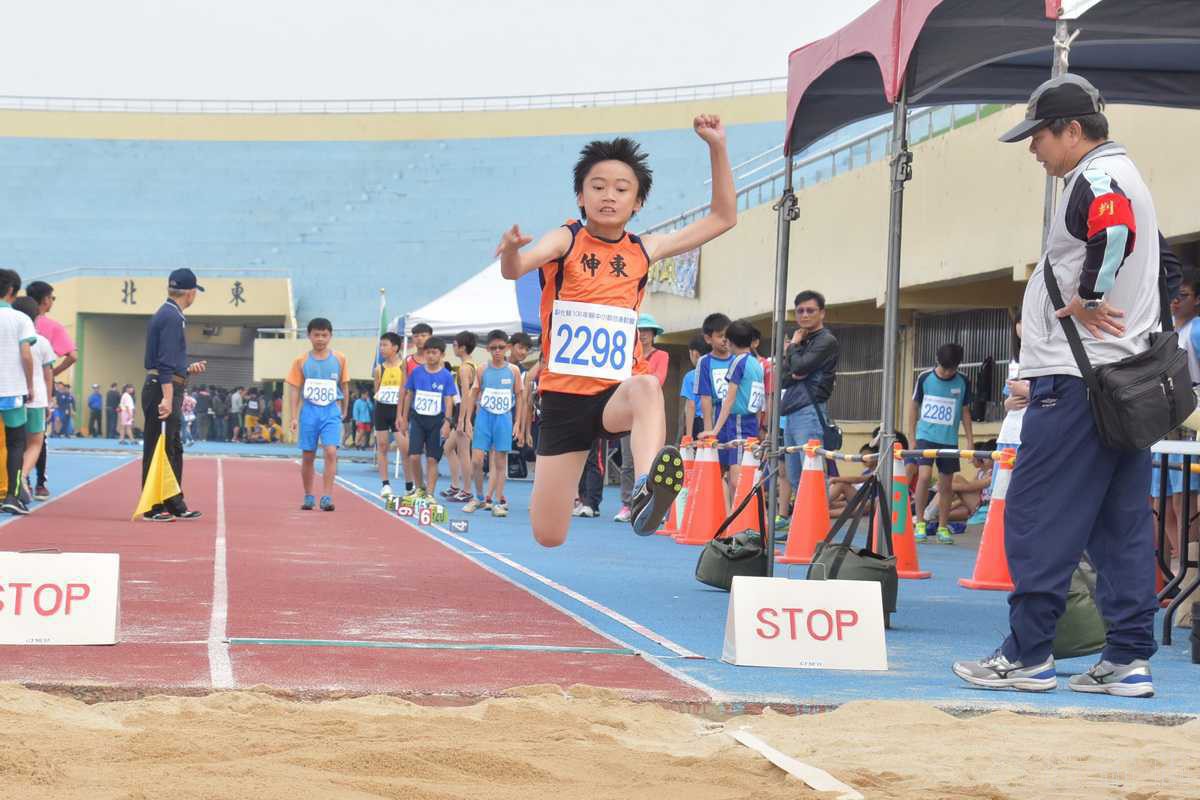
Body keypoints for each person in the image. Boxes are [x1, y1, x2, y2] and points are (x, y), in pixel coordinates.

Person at [954, 74, 1167, 697]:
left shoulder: (1099, 178)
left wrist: (1088, 296)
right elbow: (1158, 258)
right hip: (1119, 380)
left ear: (1073, 130)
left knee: (1037, 514)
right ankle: (1128, 657)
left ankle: (1028, 655)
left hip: (1077, 383)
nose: (1033, 149)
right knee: (1120, 524)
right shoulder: (1128, 175)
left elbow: (1116, 231)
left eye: (1039, 136)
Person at [498, 116, 735, 545]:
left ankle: (647, 489)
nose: (609, 196)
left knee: (647, 386)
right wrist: (511, 253)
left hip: (614, 393)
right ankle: (613, 496)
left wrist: (716, 147)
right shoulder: (565, 240)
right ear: (581, 195)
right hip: (563, 400)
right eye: (598, 186)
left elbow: (722, 217)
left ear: (638, 201)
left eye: (622, 189)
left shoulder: (645, 249)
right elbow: (516, 269)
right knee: (548, 534)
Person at [140, 268, 207, 521]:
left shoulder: (170, 314)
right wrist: (167, 398)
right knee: (158, 446)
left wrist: (187, 369)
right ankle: (153, 505)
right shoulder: (171, 317)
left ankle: (173, 501)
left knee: (172, 447)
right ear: (190, 293)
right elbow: (164, 363)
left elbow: (168, 361)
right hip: (162, 387)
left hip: (168, 384)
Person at [909, 342, 973, 545]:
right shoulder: (924, 378)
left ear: (957, 366)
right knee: (925, 476)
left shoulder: (963, 381)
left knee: (946, 485)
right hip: (925, 436)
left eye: (951, 369)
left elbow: (964, 412)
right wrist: (912, 437)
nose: (946, 373)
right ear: (937, 361)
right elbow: (914, 406)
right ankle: (920, 521)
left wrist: (970, 440)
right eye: (944, 368)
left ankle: (942, 527)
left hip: (949, 440)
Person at [779, 290, 839, 497]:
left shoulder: (826, 340)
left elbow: (798, 368)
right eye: (800, 311)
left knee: (811, 472)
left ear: (821, 313)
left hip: (810, 411)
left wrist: (793, 347)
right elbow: (784, 378)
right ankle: (804, 524)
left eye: (810, 310)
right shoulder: (802, 340)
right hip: (791, 412)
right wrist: (796, 364)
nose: (805, 315)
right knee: (794, 475)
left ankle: (818, 527)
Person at [286, 317, 349, 511]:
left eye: (324, 335)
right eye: (316, 335)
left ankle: (327, 497)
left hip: (331, 411)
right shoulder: (301, 361)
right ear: (309, 336)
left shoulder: (339, 359)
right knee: (308, 455)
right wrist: (294, 416)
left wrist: (344, 410)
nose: (320, 339)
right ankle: (308, 495)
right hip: (309, 412)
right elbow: (295, 389)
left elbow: (344, 386)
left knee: (331, 452)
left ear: (330, 336)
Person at [699, 319, 765, 500]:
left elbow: (729, 399)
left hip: (738, 421)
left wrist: (715, 429)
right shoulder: (756, 363)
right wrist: (760, 426)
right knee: (746, 473)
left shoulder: (738, 362)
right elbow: (759, 398)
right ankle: (736, 517)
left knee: (737, 478)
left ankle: (737, 519)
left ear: (731, 341)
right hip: (751, 420)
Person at [615, 313, 669, 522]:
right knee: (628, 461)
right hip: (629, 414)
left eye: (647, 331)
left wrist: (636, 383)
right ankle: (627, 504)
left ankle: (654, 506)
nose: (643, 335)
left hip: (651, 414)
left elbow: (657, 380)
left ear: (654, 334)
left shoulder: (661, 355)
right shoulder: (627, 354)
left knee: (654, 462)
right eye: (639, 331)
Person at [465, 330, 524, 516]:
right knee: (476, 460)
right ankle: (480, 497)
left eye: (500, 347)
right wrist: (467, 419)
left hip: (504, 419)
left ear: (506, 347)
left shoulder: (513, 371)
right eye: (493, 348)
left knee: (499, 463)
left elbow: (520, 397)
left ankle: (499, 501)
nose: (497, 351)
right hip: (484, 417)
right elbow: (473, 393)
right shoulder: (483, 369)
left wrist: (518, 423)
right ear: (488, 349)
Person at [26, 281, 77, 491]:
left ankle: (19, 479)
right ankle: (40, 483)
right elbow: (73, 356)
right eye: (52, 298)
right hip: (41, 385)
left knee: (15, 436)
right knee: (39, 437)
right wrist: (53, 373)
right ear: (45, 300)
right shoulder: (52, 326)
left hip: (15, 384)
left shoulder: (19, 321)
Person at [400, 336, 457, 498]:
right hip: (418, 419)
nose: (431, 355)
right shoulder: (417, 373)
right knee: (414, 457)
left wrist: (447, 423)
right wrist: (404, 418)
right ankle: (420, 488)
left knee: (432, 460)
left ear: (442, 355)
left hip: (437, 422)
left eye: (434, 352)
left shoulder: (446, 376)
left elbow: (448, 400)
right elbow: (409, 395)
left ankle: (430, 495)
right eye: (428, 352)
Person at [11, 297, 54, 505]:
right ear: (35, 317)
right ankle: (22, 478)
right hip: (36, 397)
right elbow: (48, 376)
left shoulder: (11, 338)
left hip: (13, 393)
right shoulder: (42, 342)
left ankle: (13, 481)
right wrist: (49, 401)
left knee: (13, 443)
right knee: (35, 443)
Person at [0, 270, 35, 514]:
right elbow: (25, 353)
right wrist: (30, 384)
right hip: (11, 389)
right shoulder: (21, 319)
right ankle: (12, 496)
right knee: (15, 444)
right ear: (12, 290)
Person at [696, 312, 735, 479]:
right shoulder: (705, 362)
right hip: (717, 413)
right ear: (708, 339)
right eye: (720, 336)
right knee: (717, 469)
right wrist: (709, 429)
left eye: (727, 335)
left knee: (736, 467)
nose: (725, 340)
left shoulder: (737, 359)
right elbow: (705, 397)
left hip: (736, 416)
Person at [444, 330, 479, 503]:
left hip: (465, 414)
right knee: (448, 448)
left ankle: (466, 490)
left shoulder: (465, 368)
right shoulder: (470, 365)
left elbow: (467, 396)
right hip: (463, 413)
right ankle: (456, 485)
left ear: (463, 347)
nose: (453, 347)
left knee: (464, 452)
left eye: (455, 344)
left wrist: (463, 420)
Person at [372, 332, 406, 498]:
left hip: (398, 412)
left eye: (385, 345)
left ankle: (409, 485)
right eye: (381, 345)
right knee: (383, 447)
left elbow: (407, 391)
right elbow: (377, 391)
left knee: (404, 447)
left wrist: (404, 414)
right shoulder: (379, 369)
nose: (382, 348)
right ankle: (385, 484)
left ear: (395, 347)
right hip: (382, 411)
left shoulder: (404, 367)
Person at [677, 334, 709, 442]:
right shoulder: (714, 372)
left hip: (698, 423)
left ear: (695, 353)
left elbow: (691, 405)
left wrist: (688, 435)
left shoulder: (691, 376)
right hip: (715, 421)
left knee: (698, 455)